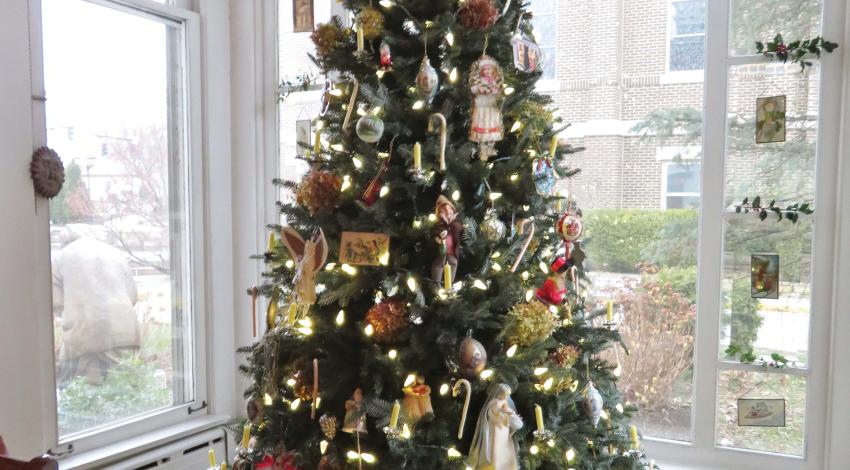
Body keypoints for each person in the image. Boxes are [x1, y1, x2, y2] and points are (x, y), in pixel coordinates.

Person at [53, 224, 139, 385]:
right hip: (124, 331)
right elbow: (132, 296)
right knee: (126, 388)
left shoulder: (60, 257)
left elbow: (55, 302)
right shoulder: (116, 254)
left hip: (82, 333)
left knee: (81, 392)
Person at [468, 384, 523, 470]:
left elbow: (517, 424)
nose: (507, 396)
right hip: (494, 433)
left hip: (504, 435)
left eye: (508, 394)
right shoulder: (494, 404)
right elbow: (494, 415)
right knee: (493, 452)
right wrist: (506, 413)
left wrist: (510, 413)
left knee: (504, 452)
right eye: (505, 393)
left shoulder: (506, 405)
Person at [431, 196, 464, 284]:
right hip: (441, 252)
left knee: (453, 264)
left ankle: (449, 286)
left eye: (449, 208)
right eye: (443, 209)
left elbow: (461, 231)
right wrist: (438, 238)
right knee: (438, 266)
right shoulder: (438, 224)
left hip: (452, 252)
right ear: (439, 212)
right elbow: (435, 233)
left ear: (453, 210)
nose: (447, 211)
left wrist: (453, 224)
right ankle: (436, 284)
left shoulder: (456, 223)